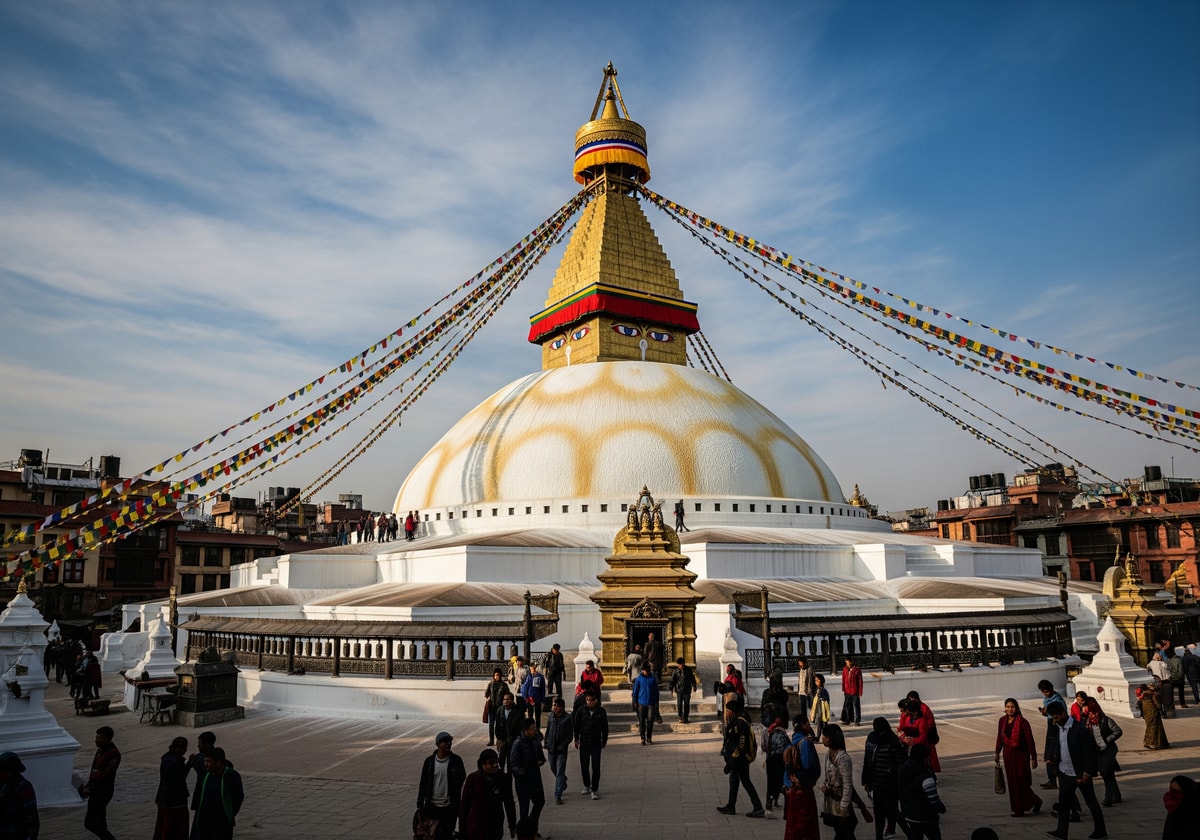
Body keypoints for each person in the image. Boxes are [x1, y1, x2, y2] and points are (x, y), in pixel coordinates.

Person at [1043, 700, 1106, 840]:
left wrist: (1087, 772)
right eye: (1053, 718)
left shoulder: (1079, 728)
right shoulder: (1056, 727)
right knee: (1064, 804)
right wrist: (1051, 760)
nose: (1055, 720)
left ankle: (1101, 831)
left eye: (1057, 717)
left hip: (1080, 773)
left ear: (1063, 714)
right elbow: (1054, 744)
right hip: (1065, 772)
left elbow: (1089, 752)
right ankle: (1061, 831)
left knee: (1091, 802)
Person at [716, 695, 764, 818]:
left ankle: (758, 808)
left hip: (740, 760)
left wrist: (731, 762)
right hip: (736, 760)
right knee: (734, 782)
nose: (726, 713)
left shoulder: (740, 723)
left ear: (731, 711)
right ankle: (731, 806)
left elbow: (740, 745)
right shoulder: (736, 720)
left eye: (727, 710)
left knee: (746, 782)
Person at [994, 697, 1041, 818]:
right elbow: (1000, 738)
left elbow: (1030, 741)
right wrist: (996, 752)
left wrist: (1034, 757)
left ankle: (1034, 801)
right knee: (1012, 782)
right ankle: (1018, 809)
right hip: (1008, 755)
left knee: (1021, 782)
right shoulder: (1002, 721)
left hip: (1021, 755)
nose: (1010, 709)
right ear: (1005, 708)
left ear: (1017, 708)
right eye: (1008, 707)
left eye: (1012, 707)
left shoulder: (1023, 722)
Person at [417, 732, 466, 840]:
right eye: (445, 742)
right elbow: (424, 783)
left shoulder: (456, 761)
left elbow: (462, 778)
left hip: (449, 808)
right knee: (433, 834)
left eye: (450, 741)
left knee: (447, 835)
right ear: (438, 744)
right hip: (432, 807)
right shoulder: (429, 762)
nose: (449, 744)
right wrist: (420, 802)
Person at [458, 749, 516, 840]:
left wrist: (512, 825)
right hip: (476, 828)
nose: (495, 765)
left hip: (495, 827)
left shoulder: (502, 778)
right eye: (491, 763)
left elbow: (509, 803)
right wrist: (462, 830)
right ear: (483, 765)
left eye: (496, 761)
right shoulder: (473, 779)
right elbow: (464, 806)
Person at [190, 746, 243, 840]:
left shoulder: (231, 776)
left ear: (218, 762)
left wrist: (230, 813)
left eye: (209, 762)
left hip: (221, 824)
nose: (206, 764)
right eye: (205, 761)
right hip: (204, 821)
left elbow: (238, 797)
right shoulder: (206, 775)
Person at [863, 716, 903, 840]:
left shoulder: (877, 739)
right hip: (882, 782)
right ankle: (883, 833)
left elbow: (867, 761)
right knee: (889, 811)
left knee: (887, 811)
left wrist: (866, 780)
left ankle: (886, 832)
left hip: (885, 783)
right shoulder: (891, 740)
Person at [782, 717, 821, 840]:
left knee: (793, 825)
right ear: (803, 726)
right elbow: (808, 766)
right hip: (803, 790)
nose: (809, 726)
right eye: (808, 724)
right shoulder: (805, 743)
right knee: (806, 826)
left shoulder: (791, 742)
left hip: (791, 790)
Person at [898, 743, 946, 840]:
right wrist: (941, 809)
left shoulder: (902, 769)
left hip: (909, 814)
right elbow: (934, 799)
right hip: (926, 816)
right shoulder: (926, 776)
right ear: (924, 758)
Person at [1081, 698, 1122, 807]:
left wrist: (1107, 740)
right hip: (1097, 751)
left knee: (1105, 771)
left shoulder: (1106, 720)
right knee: (1108, 774)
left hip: (1108, 749)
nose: (1093, 715)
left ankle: (1108, 797)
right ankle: (1116, 795)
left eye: (1094, 713)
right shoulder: (1087, 723)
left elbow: (1118, 731)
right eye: (1090, 713)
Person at [817, 723, 856, 838]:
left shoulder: (843, 758)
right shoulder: (828, 754)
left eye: (824, 736)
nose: (822, 738)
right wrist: (825, 786)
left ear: (829, 739)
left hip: (841, 801)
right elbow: (827, 777)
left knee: (843, 833)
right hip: (831, 801)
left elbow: (848, 784)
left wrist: (844, 806)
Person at [82, 725, 120, 840]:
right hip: (94, 790)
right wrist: (87, 786)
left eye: (99, 738)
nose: (96, 740)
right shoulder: (100, 751)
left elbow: (105, 776)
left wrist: (91, 788)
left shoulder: (113, 754)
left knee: (90, 823)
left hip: (103, 791)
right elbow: (93, 772)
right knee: (100, 820)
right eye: (96, 737)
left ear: (107, 739)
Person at [508, 717, 546, 829]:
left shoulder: (535, 741)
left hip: (535, 776)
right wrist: (521, 771)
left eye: (535, 727)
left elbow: (541, 757)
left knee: (540, 802)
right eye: (532, 728)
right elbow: (513, 764)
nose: (535, 730)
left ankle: (532, 826)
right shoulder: (518, 743)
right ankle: (525, 831)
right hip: (523, 779)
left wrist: (540, 762)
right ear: (525, 730)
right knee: (524, 807)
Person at [572, 690, 607, 799]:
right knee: (584, 766)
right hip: (585, 742)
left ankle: (595, 789)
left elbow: (605, 727)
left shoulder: (601, 712)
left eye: (592, 701)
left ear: (596, 701)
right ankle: (586, 784)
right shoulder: (581, 711)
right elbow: (576, 726)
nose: (590, 703)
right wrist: (576, 739)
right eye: (588, 700)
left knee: (596, 767)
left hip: (596, 743)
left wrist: (604, 740)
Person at [155, 736, 191, 840]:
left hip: (162, 798)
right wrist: (188, 765)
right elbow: (179, 779)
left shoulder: (165, 758)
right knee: (174, 828)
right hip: (175, 801)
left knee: (162, 825)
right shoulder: (177, 761)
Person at [0, 751, 39, 840]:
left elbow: (32, 819)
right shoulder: (2, 784)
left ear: (11, 771)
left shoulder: (24, 788)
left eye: (2, 772)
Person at [898, 694, 940, 773]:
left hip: (920, 747)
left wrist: (912, 741)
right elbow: (901, 728)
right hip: (909, 746)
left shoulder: (921, 721)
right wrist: (903, 738)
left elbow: (923, 737)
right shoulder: (907, 718)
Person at [543, 696, 573, 805]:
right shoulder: (551, 717)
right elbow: (548, 730)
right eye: (554, 706)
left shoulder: (567, 718)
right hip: (551, 748)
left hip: (561, 749)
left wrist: (564, 744)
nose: (555, 708)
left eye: (557, 706)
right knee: (553, 769)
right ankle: (563, 781)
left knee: (559, 771)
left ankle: (558, 794)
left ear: (562, 707)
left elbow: (570, 735)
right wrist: (546, 742)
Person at [1037, 679, 1066, 790]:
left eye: (1046, 691)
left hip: (1058, 726)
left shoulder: (1058, 699)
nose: (1045, 694)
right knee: (1049, 753)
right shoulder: (1046, 699)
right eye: (1043, 692)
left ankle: (1058, 778)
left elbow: (1061, 715)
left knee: (1055, 753)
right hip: (1051, 724)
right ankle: (1051, 779)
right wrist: (1045, 713)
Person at [763, 716, 791, 815]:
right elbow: (783, 747)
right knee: (782, 782)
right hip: (780, 760)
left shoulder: (767, 731)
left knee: (770, 782)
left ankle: (769, 805)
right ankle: (787, 807)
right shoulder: (781, 732)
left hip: (769, 759)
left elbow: (763, 747)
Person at [494, 692, 525, 773]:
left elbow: (520, 728)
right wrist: (499, 739)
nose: (505, 701)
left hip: (513, 741)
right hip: (503, 741)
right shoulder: (500, 710)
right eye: (504, 699)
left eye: (508, 699)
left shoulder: (518, 711)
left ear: (512, 700)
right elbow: (497, 726)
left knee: (511, 764)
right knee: (501, 762)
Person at [1162, 775, 1200, 840]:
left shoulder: (1195, 815)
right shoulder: (1173, 813)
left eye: (1176, 791)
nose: (1171, 794)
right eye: (1171, 789)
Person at [631, 663, 659, 745]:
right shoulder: (639, 679)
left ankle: (649, 737)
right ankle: (642, 738)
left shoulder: (653, 679)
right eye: (645, 671)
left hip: (651, 703)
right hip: (641, 703)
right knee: (642, 721)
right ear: (642, 671)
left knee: (650, 721)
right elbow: (635, 691)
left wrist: (656, 702)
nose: (646, 672)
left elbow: (656, 692)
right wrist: (634, 701)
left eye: (647, 671)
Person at [1136, 682, 1169, 749]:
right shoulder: (1153, 694)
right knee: (1154, 727)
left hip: (1146, 712)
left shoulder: (1142, 694)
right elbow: (1157, 704)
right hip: (1153, 711)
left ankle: (1146, 742)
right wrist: (1160, 708)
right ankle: (1153, 743)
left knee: (1149, 726)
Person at [484, 668, 510, 746]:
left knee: (499, 724)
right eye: (495, 675)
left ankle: (499, 739)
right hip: (492, 707)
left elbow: (507, 694)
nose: (496, 677)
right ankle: (491, 740)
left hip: (500, 707)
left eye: (498, 675)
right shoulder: (491, 684)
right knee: (491, 724)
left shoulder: (504, 685)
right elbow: (486, 694)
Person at [669, 656, 697, 723]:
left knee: (686, 703)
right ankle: (680, 717)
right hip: (679, 690)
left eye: (681, 664)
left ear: (683, 664)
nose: (680, 666)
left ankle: (686, 717)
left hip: (687, 689)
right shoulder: (675, 671)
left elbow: (692, 678)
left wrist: (694, 686)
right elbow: (672, 680)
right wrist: (671, 689)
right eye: (679, 665)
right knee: (679, 704)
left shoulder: (688, 670)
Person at [521, 662, 547, 727]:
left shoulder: (540, 677)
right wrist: (525, 696)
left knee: (538, 716)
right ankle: (530, 728)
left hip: (538, 698)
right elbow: (525, 687)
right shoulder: (528, 677)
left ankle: (537, 729)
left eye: (534, 668)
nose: (533, 670)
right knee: (530, 715)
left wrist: (543, 700)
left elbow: (542, 689)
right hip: (530, 698)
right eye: (532, 668)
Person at [841, 657, 863, 726]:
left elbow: (860, 681)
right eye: (846, 662)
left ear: (851, 662)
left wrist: (860, 691)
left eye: (848, 662)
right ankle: (848, 719)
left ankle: (857, 720)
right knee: (847, 706)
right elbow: (843, 680)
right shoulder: (845, 670)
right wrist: (843, 689)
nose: (848, 664)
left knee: (856, 706)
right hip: (847, 691)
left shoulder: (857, 670)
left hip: (855, 690)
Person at [812, 673, 831, 739]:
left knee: (823, 724)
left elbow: (827, 700)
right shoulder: (816, 690)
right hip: (818, 710)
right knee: (820, 724)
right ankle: (822, 735)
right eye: (815, 680)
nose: (816, 682)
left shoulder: (823, 690)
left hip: (822, 710)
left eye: (817, 680)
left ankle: (820, 736)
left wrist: (822, 699)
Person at [796, 657, 815, 721]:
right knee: (803, 706)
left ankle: (813, 717)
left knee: (811, 705)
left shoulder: (809, 669)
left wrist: (809, 689)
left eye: (801, 662)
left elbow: (810, 680)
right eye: (799, 663)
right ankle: (804, 719)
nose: (800, 664)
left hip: (807, 691)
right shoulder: (801, 669)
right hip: (801, 690)